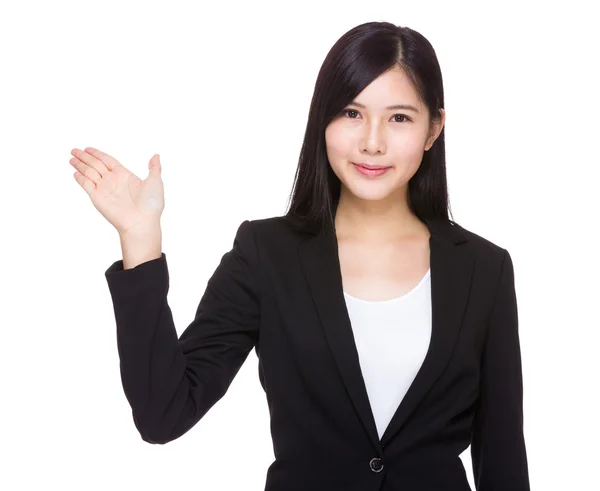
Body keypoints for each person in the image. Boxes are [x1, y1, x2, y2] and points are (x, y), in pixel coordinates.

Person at [70, 21, 530, 491]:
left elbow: (503, 459)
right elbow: (163, 413)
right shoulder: (266, 254)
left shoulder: (484, 269)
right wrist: (140, 241)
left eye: (399, 118)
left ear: (434, 129)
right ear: (323, 119)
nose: (372, 141)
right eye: (352, 113)